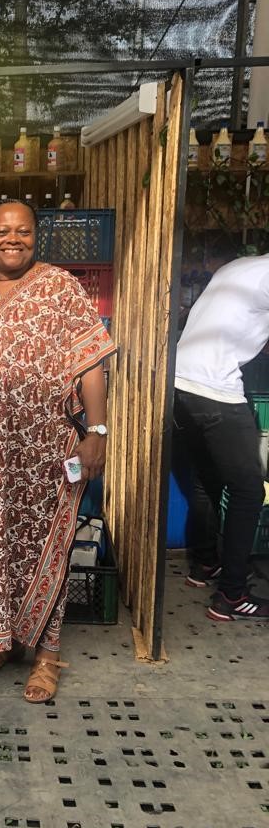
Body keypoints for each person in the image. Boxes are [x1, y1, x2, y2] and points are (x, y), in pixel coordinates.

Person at [0, 199, 115, 702]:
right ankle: (1, 641)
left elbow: (91, 363)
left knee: (46, 549)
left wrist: (97, 431)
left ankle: (46, 654)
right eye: (3, 231)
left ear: (35, 236)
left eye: (23, 231)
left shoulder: (61, 287)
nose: (13, 239)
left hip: (43, 451)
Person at [174, 253, 269, 621]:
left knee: (207, 480)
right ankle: (232, 595)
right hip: (214, 388)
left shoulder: (240, 265)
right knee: (249, 490)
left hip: (181, 382)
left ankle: (205, 564)